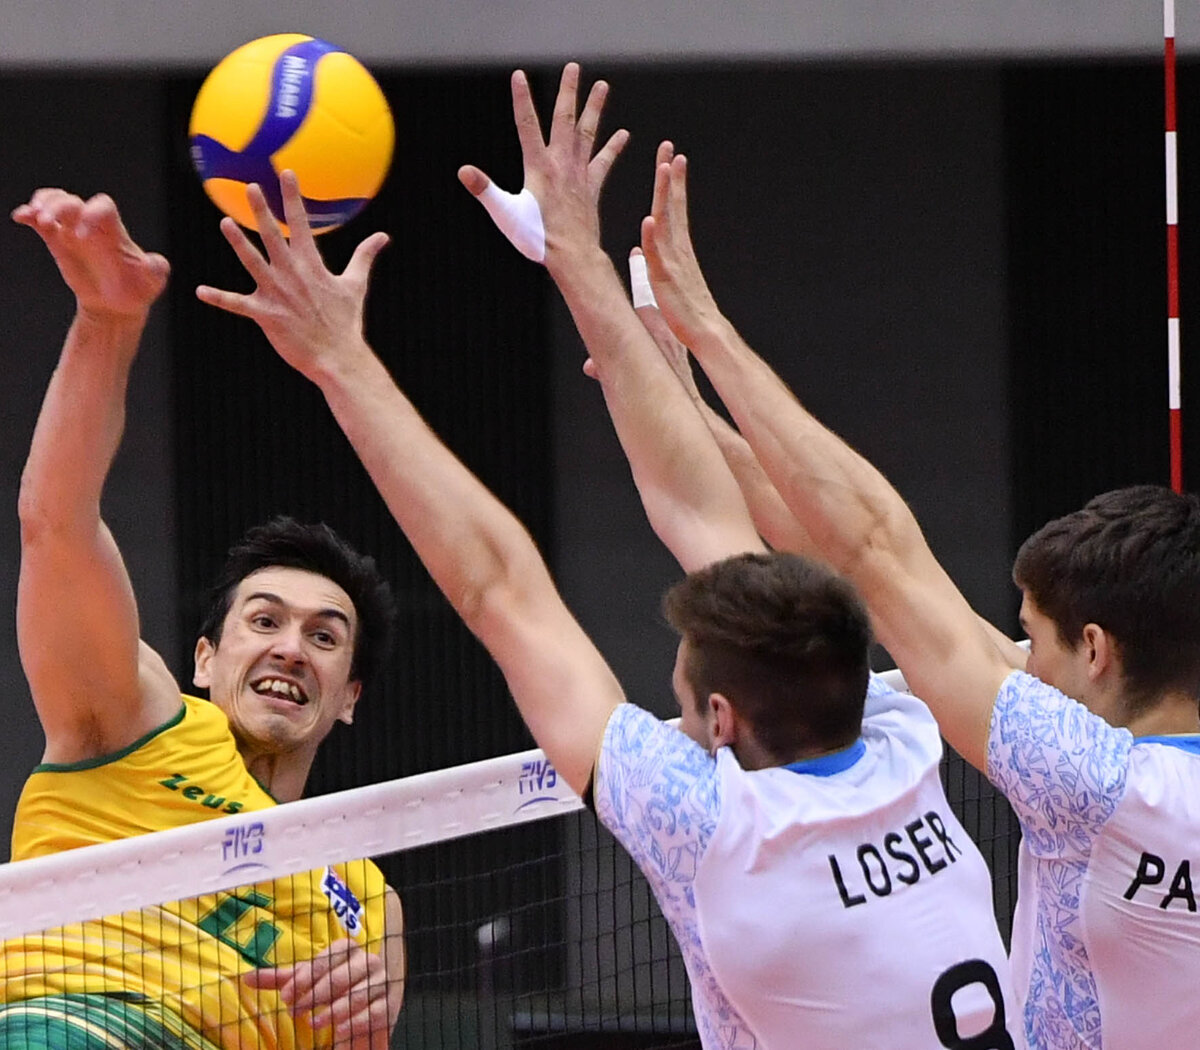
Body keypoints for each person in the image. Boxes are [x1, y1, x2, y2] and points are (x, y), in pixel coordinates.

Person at [195, 66, 1021, 1049]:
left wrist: (343, 359)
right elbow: (703, 521)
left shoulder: (713, 832)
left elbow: (500, 586)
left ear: (718, 718)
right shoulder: (901, 737)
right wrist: (578, 268)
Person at [635, 144, 1200, 1050]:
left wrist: (705, 331)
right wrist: (687, 414)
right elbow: (865, 568)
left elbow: (875, 552)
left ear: (1095, 652)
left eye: (1033, 642)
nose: (1018, 661)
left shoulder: (1092, 782)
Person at [6, 189, 405, 1049]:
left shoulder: (370, 900)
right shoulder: (133, 720)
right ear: (201, 659)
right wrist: (107, 325)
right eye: (264, 622)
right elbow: (55, 521)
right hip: (69, 1028)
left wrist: (367, 1016)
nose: (292, 649)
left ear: (348, 698)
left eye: (325, 637)